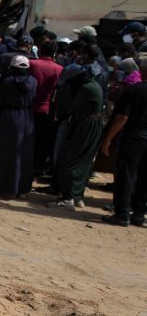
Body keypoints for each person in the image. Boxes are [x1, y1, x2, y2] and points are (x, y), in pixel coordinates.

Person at [47, 54, 104, 210]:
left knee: (68, 161)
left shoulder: (86, 88)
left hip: (85, 126)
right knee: (82, 163)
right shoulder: (92, 84)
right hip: (91, 125)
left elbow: (71, 108)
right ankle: (76, 196)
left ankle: (67, 199)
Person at [0, 55, 37, 198]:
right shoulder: (34, 82)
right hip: (27, 118)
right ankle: (20, 189)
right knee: (22, 153)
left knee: (2, 151)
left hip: (9, 117)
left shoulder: (8, 81)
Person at [100, 79, 147, 225]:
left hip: (134, 137)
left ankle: (122, 213)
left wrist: (108, 138)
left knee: (126, 174)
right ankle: (139, 214)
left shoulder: (134, 90)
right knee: (145, 177)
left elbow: (123, 117)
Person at [29, 41, 64, 177]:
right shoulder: (59, 69)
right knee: (41, 140)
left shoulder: (32, 64)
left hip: (29, 107)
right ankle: (37, 166)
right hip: (46, 109)